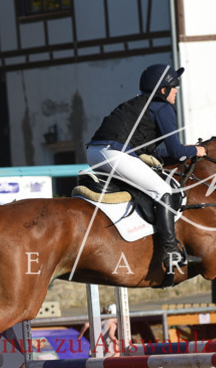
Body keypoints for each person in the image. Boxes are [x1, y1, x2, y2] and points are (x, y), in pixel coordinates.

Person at [86, 63, 207, 276]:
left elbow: (156, 152)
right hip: (114, 154)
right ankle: (170, 252)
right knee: (164, 192)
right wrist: (196, 150)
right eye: (174, 86)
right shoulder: (162, 107)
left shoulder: (139, 104)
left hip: (96, 152)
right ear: (163, 90)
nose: (177, 90)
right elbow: (177, 151)